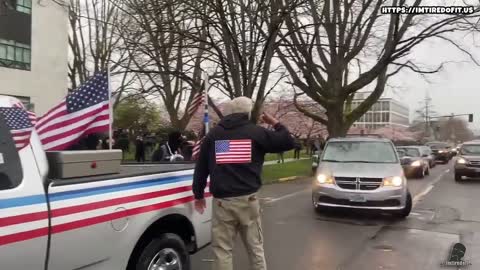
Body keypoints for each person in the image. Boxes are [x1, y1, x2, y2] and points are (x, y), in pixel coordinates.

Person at [192, 96, 295, 270]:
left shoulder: (215, 135)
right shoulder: (256, 133)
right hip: (248, 200)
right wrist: (275, 123)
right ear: (247, 112)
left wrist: (199, 195)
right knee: (255, 247)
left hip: (222, 202)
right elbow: (288, 141)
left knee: (222, 250)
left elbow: (201, 167)